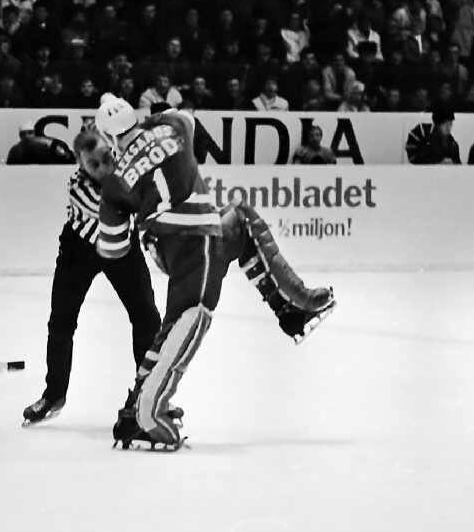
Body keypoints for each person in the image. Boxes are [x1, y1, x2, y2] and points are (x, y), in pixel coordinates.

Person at [93, 94, 336, 450]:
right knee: (192, 315)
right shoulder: (171, 128)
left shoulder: (114, 180)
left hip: (168, 243)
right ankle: (149, 412)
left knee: (240, 219)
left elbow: (112, 248)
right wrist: (150, 125)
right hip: (196, 235)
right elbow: (186, 118)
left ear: (109, 137)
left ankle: (293, 307)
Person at [22, 131, 162, 425]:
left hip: (122, 248)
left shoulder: (126, 168)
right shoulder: (78, 186)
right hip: (80, 251)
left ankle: (149, 396)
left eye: (105, 158)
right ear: (80, 165)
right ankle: (54, 394)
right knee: (61, 321)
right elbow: (126, 206)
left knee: (147, 317)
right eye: (92, 164)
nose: (102, 167)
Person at [5, 121, 74, 164]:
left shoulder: (46, 145)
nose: (27, 136)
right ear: (20, 136)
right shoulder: (15, 150)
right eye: (23, 134)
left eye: (30, 133)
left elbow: (67, 158)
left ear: (34, 133)